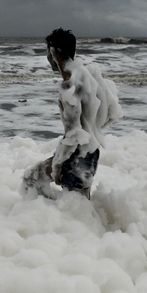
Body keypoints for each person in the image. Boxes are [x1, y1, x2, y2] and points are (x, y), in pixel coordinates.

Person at [21, 28, 123, 200]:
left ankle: (40, 218)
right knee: (79, 206)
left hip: (76, 156)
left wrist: (59, 164)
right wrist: (93, 129)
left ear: (53, 53)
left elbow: (73, 134)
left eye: (48, 52)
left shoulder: (69, 87)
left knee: (31, 178)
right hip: (92, 151)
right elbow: (113, 113)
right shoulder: (90, 75)